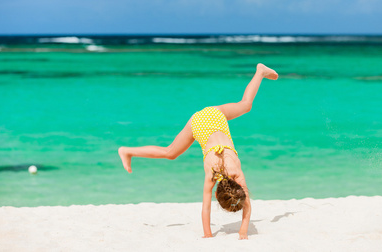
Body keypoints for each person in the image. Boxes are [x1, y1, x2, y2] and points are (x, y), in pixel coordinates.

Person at [118, 63, 279, 240]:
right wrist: (210, 234)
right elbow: (206, 207)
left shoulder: (236, 172)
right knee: (169, 152)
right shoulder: (211, 176)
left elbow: (245, 203)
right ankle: (127, 151)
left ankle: (260, 71)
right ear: (217, 194)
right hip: (199, 123)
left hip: (214, 115)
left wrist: (239, 232)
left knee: (246, 104)